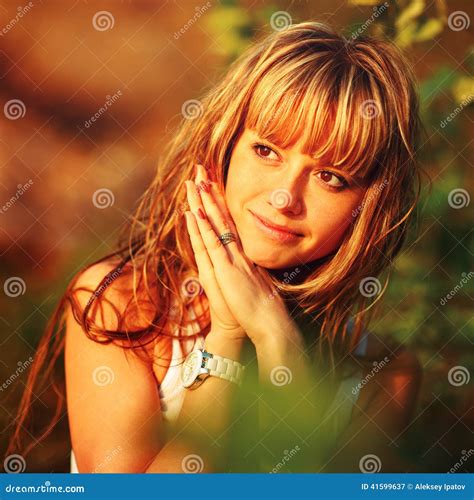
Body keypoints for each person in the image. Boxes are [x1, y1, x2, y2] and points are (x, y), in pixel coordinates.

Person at [7, 21, 424, 473]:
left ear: (368, 208)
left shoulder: (386, 376)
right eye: (267, 151)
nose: (285, 197)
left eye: (331, 177)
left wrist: (277, 343)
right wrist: (226, 335)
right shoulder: (120, 307)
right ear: (224, 149)